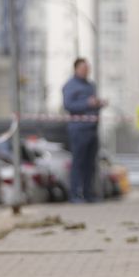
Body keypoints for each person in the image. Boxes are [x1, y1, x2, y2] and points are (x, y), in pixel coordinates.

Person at [62, 58, 106, 203]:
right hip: (78, 129)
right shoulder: (70, 85)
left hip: (92, 129)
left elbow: (92, 105)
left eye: (88, 68)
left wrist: (98, 104)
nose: (86, 70)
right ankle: (75, 194)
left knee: (91, 163)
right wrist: (87, 103)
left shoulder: (91, 85)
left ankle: (88, 193)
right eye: (83, 68)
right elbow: (69, 105)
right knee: (78, 163)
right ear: (76, 69)